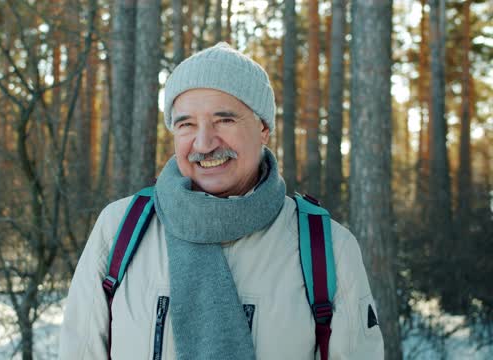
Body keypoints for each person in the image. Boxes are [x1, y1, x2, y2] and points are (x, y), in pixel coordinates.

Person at [58, 42, 384, 360]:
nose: (204, 142)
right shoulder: (120, 228)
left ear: (264, 128)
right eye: (186, 124)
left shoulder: (326, 248)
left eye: (224, 120)